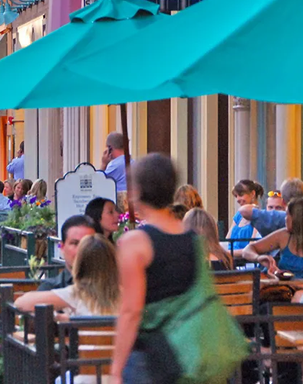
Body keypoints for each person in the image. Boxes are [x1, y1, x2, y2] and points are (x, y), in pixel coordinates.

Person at [109, 153, 198, 383]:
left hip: (148, 356)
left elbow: (131, 311)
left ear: (137, 191)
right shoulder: (192, 238)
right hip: (188, 349)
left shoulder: (135, 243)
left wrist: (116, 369)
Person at [16, 234, 120, 318]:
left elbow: (21, 303)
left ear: (79, 265)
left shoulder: (76, 294)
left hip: (85, 343)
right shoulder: (128, 294)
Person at [241, 198, 303, 280]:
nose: (285, 219)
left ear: (297, 218)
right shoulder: (283, 236)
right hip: (283, 292)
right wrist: (258, 257)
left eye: (287, 215)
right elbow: (247, 250)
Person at [38, 215, 96, 291]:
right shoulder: (50, 289)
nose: (81, 249)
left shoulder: (111, 286)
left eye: (87, 243)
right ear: (62, 247)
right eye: (75, 243)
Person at [236, 177, 303, 237]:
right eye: (270, 207)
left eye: (278, 208)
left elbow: (244, 210)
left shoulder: (280, 217)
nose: (273, 211)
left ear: (283, 202)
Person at [225, 180, 264, 256]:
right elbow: (227, 241)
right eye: (236, 196)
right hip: (231, 262)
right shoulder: (238, 215)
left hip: (246, 264)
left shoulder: (259, 216)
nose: (238, 199)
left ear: (252, 194)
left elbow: (252, 248)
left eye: (241, 194)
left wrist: (227, 254)